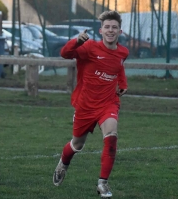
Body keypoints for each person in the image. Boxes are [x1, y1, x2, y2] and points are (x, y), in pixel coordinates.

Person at [53, 11, 129, 198]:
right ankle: (63, 163)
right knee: (77, 144)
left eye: (114, 27)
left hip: (109, 103)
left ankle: (102, 184)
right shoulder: (89, 48)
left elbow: (118, 67)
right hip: (86, 105)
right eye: (107, 27)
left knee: (111, 137)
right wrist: (77, 41)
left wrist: (123, 84)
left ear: (120, 31)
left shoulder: (123, 52)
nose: (111, 30)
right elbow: (65, 53)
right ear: (100, 30)